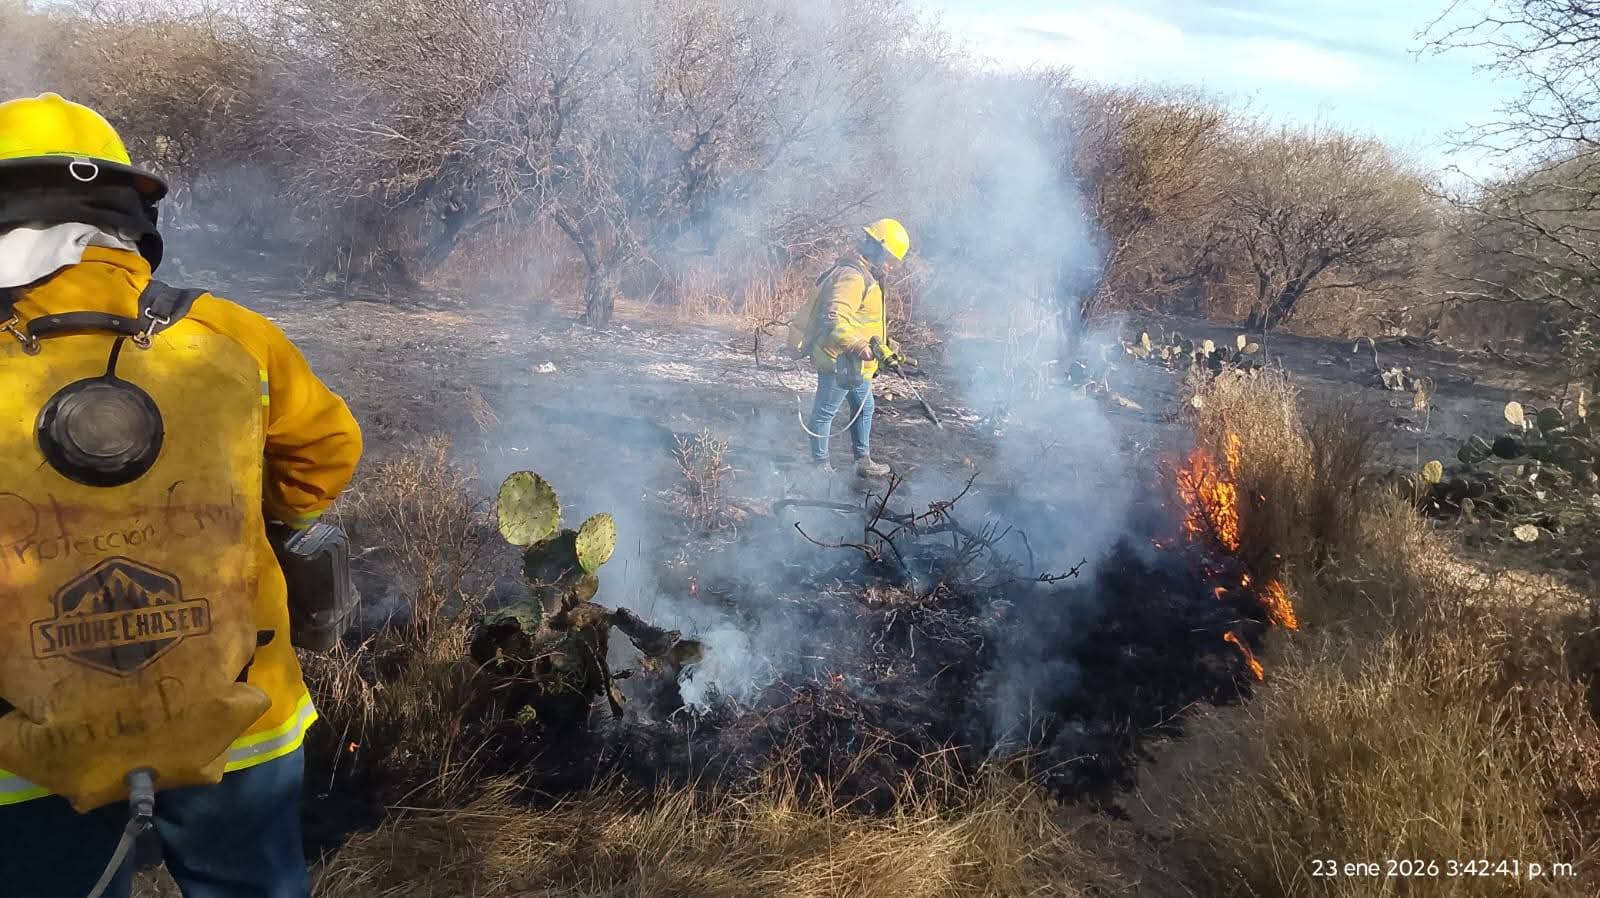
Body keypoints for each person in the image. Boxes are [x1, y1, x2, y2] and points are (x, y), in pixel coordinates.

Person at [0, 93, 362, 897]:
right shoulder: (227, 334)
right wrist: (263, 521)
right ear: (128, 217)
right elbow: (330, 450)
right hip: (238, 716)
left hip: (25, 751)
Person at [792, 217, 910, 477]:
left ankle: (863, 462)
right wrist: (858, 347)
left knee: (864, 407)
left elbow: (863, 322)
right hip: (838, 360)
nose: (891, 267)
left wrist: (885, 347)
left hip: (855, 362)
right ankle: (820, 467)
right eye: (889, 259)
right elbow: (833, 319)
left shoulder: (866, 275)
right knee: (824, 413)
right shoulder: (853, 277)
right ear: (878, 249)